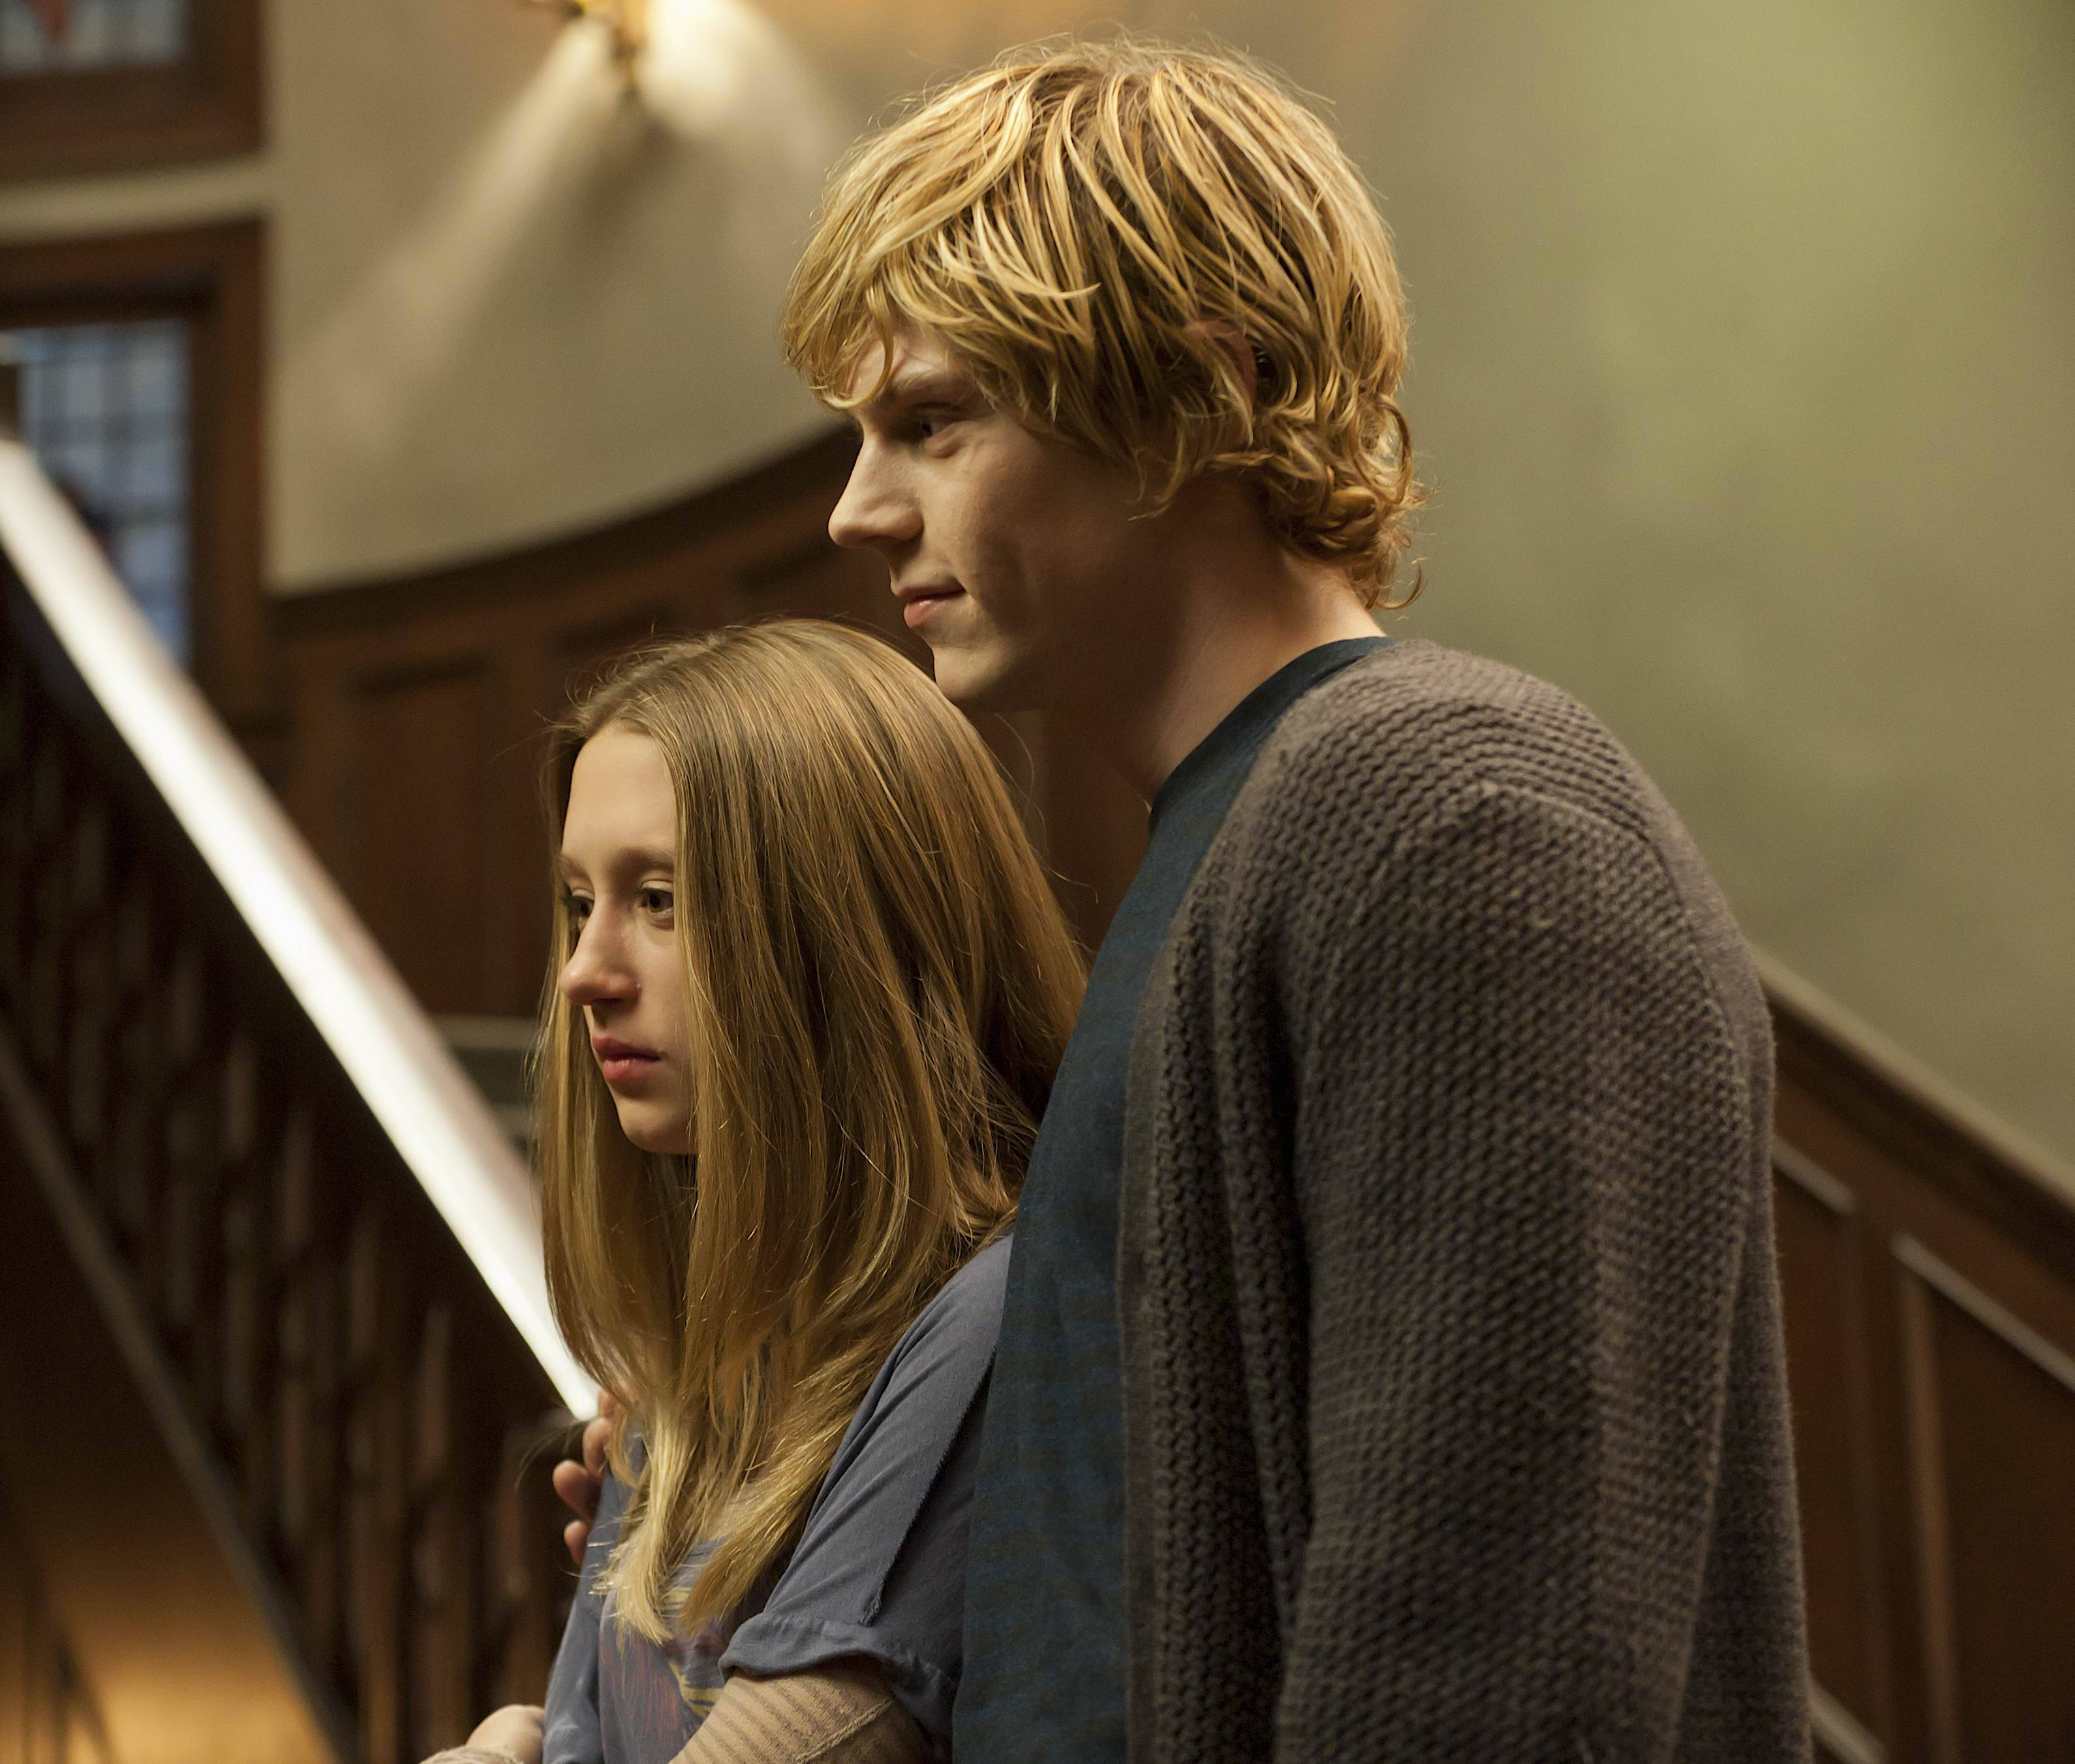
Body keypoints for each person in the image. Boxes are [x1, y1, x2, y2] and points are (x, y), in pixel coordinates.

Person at [565, 36, 1813, 1764]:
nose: (857, 510)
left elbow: (1487, 1682)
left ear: (1186, 392)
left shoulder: (1452, 821)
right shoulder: (1225, 852)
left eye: (931, 421)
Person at [440, 622, 1084, 1764]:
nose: (587, 969)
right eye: (579, 900)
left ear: (839, 934)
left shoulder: (1002, 1312)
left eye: (662, 900)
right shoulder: (695, 1360)